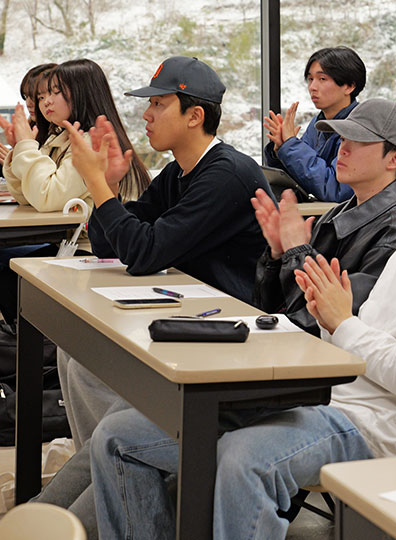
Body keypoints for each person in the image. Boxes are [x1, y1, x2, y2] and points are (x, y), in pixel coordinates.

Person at [88, 116, 396, 540]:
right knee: (116, 437)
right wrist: (324, 310)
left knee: (244, 459)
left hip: (369, 424)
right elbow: (349, 342)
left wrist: (341, 321)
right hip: (319, 395)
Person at [36, 57, 272, 539]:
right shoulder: (178, 173)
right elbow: (116, 245)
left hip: (224, 344)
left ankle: (78, 515)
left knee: (117, 422)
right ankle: (53, 516)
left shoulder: (225, 174)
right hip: (184, 321)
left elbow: (144, 252)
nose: (146, 115)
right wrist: (109, 189)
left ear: (194, 115)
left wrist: (98, 186)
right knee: (82, 366)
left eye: (159, 104)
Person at [0, 59, 151, 326]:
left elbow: (47, 196)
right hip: (75, 241)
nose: (45, 102)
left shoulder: (91, 140)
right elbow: (27, 196)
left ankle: (31, 338)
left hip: (94, 249)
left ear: (82, 92)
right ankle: (20, 334)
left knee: (6, 264)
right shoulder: (60, 137)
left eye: (55, 92)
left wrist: (25, 145)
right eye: (41, 96)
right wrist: (20, 152)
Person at [252, 97, 396, 334]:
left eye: (358, 141)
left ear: (395, 159)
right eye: (342, 139)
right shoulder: (335, 215)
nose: (343, 149)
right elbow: (268, 310)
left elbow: (324, 322)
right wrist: (278, 255)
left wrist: (296, 252)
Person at [263, 46, 366, 202]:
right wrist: (280, 152)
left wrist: (291, 146)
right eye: (310, 79)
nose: (312, 87)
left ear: (349, 86)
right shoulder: (318, 123)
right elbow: (301, 180)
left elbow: (335, 189)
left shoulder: (359, 127)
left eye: (322, 79)